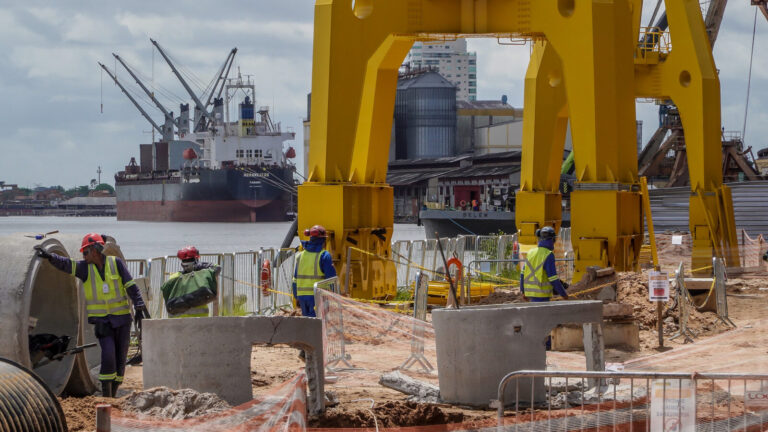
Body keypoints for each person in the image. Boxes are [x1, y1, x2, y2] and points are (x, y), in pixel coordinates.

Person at [34, 233, 148, 398]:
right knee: (108, 355)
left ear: (96, 250)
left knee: (120, 359)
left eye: (86, 252)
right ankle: (107, 395)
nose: (83, 256)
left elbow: (130, 285)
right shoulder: (84, 269)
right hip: (103, 322)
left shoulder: (116, 264)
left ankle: (114, 392)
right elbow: (67, 265)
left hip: (122, 320)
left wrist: (138, 305)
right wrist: (50, 257)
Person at [292, 225, 336, 317]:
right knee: (318, 324)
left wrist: (296, 296)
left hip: (302, 296)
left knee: (308, 323)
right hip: (317, 297)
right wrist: (333, 297)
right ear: (322, 240)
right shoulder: (324, 255)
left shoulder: (300, 256)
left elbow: (295, 279)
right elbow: (331, 279)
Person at [166, 246, 221, 318]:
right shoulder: (201, 276)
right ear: (196, 260)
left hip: (175, 321)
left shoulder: (173, 277)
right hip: (199, 320)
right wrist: (204, 266)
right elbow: (217, 268)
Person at [520, 226, 569, 302]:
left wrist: (523, 291)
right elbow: (553, 278)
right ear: (553, 239)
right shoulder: (548, 254)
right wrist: (563, 294)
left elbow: (522, 274)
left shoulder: (530, 252)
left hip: (530, 293)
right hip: (542, 295)